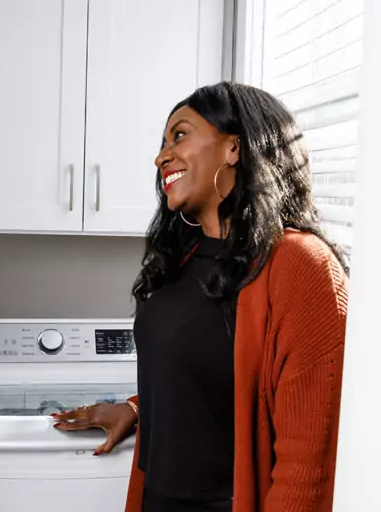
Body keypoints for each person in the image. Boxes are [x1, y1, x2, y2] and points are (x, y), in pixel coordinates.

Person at [53, 82, 348, 512]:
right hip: (157, 497)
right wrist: (138, 409)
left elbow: (306, 467)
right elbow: (203, 366)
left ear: (233, 147)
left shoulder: (300, 264)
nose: (160, 156)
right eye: (162, 143)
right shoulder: (184, 254)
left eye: (180, 135)